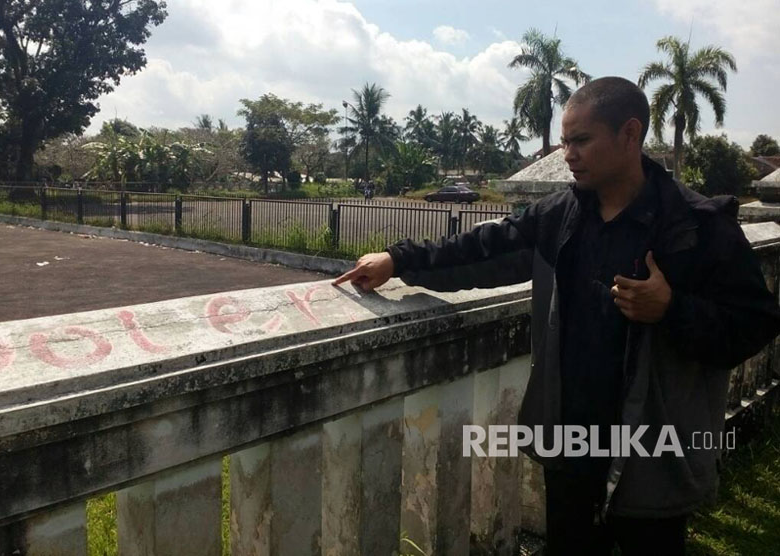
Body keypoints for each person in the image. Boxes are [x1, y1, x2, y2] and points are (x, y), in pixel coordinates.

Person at [333, 76, 780, 555]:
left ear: (630, 135)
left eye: (582, 140)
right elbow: (486, 246)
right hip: (570, 442)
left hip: (651, 447)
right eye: (566, 141)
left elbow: (754, 322)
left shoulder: (696, 226)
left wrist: (672, 309)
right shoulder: (561, 214)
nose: (567, 153)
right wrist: (399, 261)